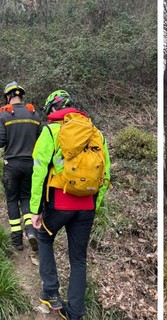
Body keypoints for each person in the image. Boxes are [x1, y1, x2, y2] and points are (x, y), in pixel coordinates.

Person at [30, 90, 111, 320]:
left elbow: (38, 172)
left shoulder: (50, 130)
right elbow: (106, 174)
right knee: (78, 258)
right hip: (87, 206)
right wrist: (95, 204)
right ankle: (74, 312)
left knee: (44, 237)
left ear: (53, 110)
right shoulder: (96, 134)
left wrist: (35, 210)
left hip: (58, 203)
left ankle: (50, 292)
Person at [0, 81, 41, 251]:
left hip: (11, 165)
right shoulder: (34, 114)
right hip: (30, 165)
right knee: (26, 198)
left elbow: (1, 142)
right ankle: (30, 232)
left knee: (11, 200)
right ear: (21, 96)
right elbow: (41, 142)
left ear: (8, 97)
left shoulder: (4, 115)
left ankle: (17, 240)